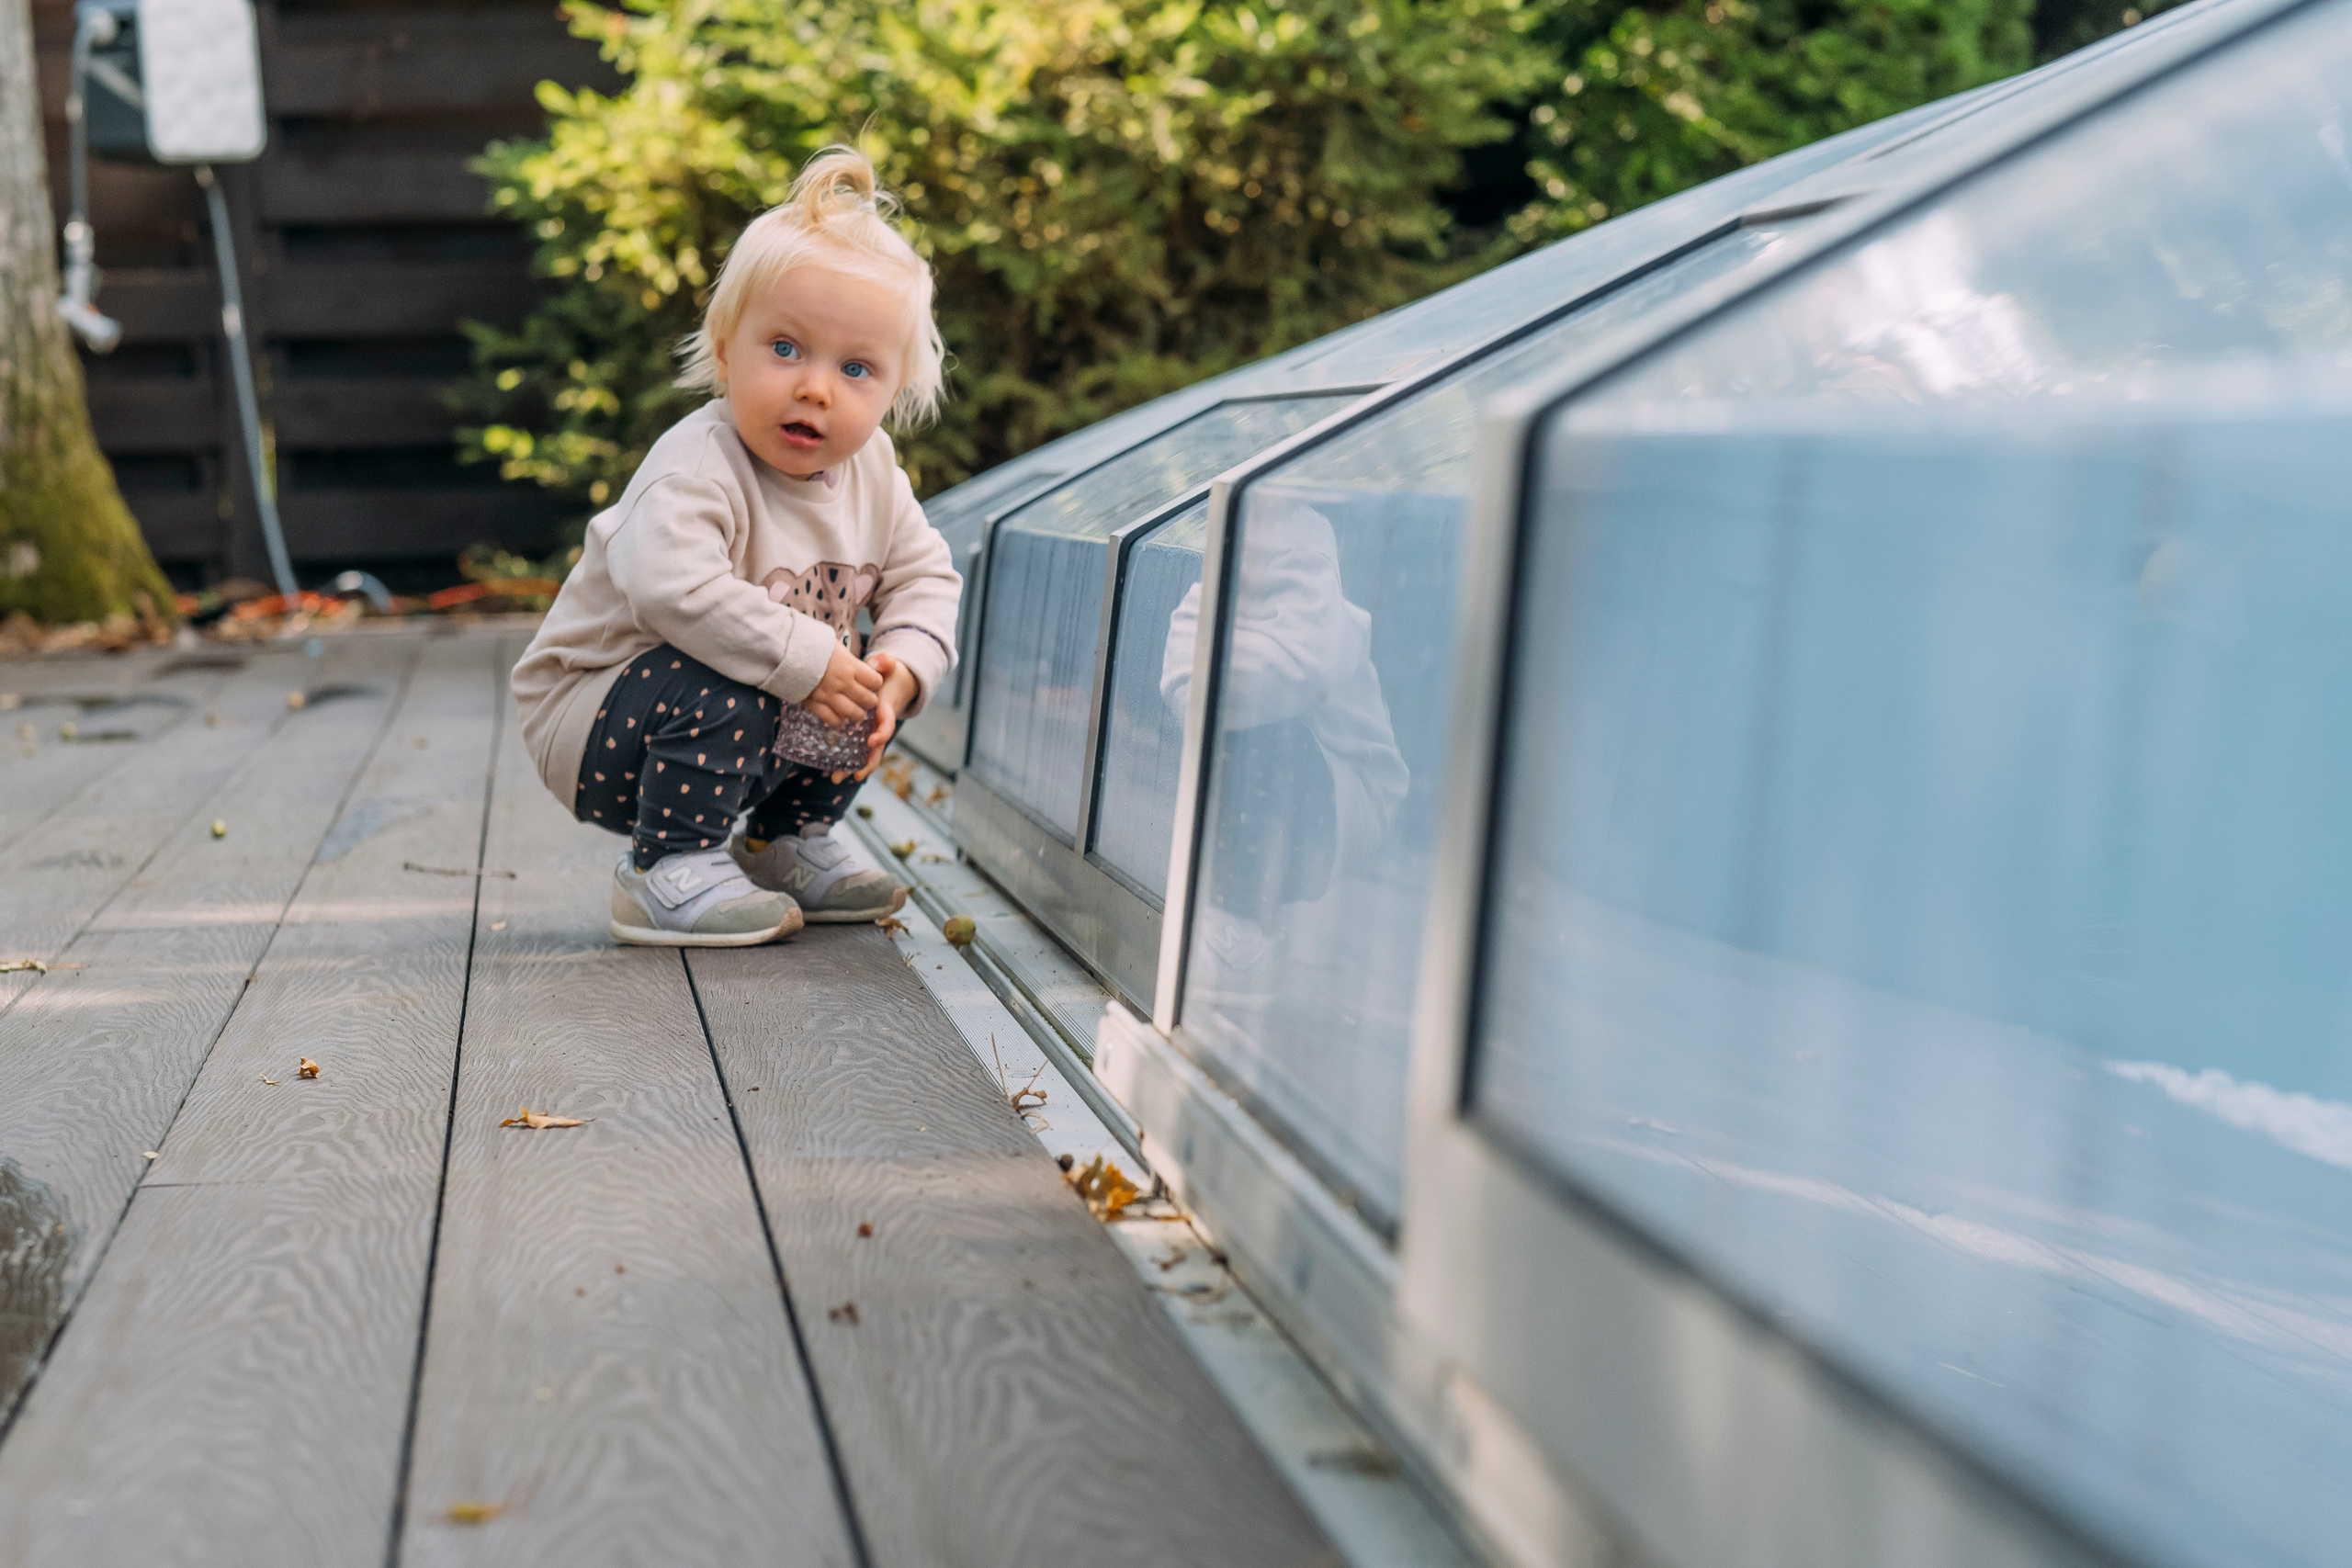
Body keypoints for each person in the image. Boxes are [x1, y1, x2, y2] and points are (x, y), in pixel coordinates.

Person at [511, 147, 961, 946]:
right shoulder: (697, 464)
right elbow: (669, 587)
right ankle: (665, 870)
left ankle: (778, 843)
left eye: (855, 368)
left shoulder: (875, 472)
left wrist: (902, 667)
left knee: (852, 682)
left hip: (724, 720)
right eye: (785, 349)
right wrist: (809, 657)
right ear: (725, 351)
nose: (815, 387)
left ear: (893, 393)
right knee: (770, 665)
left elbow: (927, 574)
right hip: (593, 721)